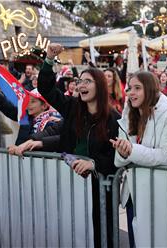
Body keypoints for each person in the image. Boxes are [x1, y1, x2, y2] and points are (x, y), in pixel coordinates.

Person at [37, 43, 120, 248]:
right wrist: (48, 59)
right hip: (70, 185)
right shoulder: (73, 107)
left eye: (88, 81)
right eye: (80, 81)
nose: (81, 85)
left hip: (99, 188)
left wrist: (94, 165)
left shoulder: (113, 120)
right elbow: (46, 89)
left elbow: (116, 159)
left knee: (101, 232)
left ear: (99, 86)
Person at [110, 71, 167, 248]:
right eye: (130, 88)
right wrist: (124, 152)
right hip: (132, 193)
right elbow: (119, 161)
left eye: (137, 88)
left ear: (150, 89)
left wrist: (132, 151)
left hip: (157, 194)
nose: (131, 92)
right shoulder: (128, 116)